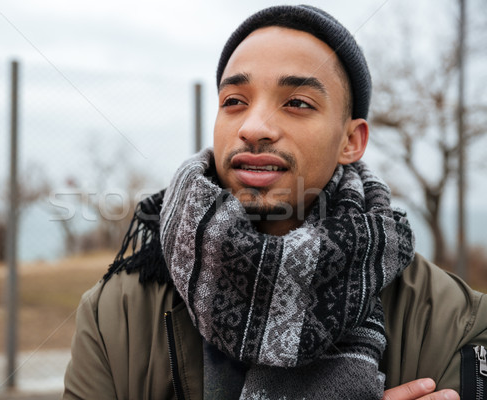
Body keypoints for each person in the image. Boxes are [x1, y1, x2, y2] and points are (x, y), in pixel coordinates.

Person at [63, 5, 487, 400]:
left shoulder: (456, 322)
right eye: (234, 102)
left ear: (350, 141)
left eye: (297, 103)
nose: (254, 127)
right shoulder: (114, 315)